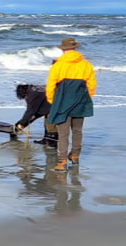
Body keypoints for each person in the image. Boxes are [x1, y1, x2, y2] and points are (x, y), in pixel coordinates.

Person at [46, 38, 96, 172]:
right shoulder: (86, 65)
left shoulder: (58, 65)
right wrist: (85, 98)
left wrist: (52, 101)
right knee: (77, 131)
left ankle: (62, 162)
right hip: (80, 100)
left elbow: (50, 86)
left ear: (63, 49)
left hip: (62, 101)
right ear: (75, 49)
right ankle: (75, 156)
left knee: (63, 134)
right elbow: (91, 86)